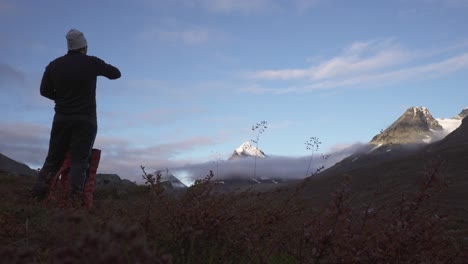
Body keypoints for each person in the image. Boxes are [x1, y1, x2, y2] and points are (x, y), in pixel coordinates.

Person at [32, 29, 121, 201]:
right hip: (86, 119)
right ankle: (74, 203)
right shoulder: (91, 62)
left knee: (52, 160)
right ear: (84, 47)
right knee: (79, 162)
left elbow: (44, 91)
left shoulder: (54, 65)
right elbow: (116, 74)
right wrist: (97, 66)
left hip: (61, 118)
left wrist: (62, 98)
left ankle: (36, 199)